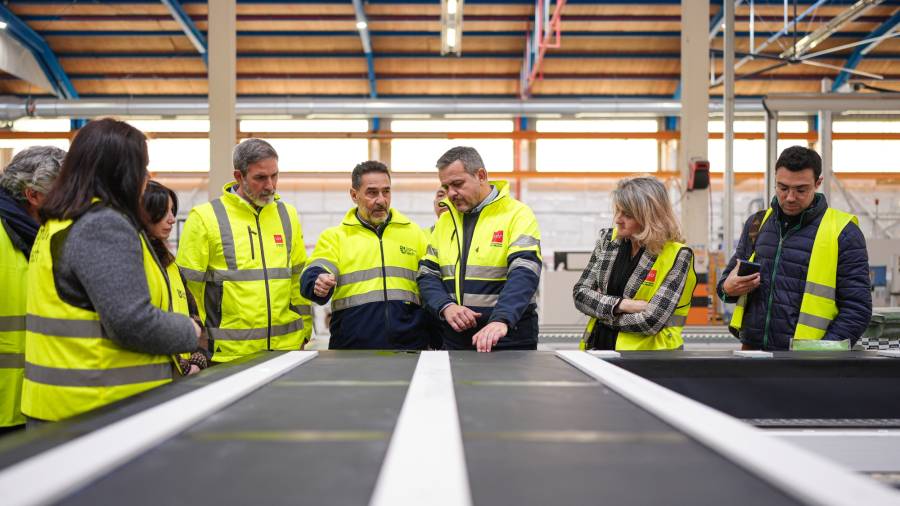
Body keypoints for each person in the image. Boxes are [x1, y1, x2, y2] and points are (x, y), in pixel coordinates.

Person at [21, 119, 201, 423]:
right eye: (142, 167)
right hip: (99, 407)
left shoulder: (61, 221)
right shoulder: (102, 225)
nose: (146, 177)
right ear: (124, 173)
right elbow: (132, 322)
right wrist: (189, 331)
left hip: (64, 405)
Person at [718, 146, 871, 351]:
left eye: (800, 190)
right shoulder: (757, 224)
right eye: (782, 188)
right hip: (753, 355)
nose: (790, 197)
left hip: (808, 360)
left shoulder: (843, 232)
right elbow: (725, 287)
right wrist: (728, 288)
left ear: (818, 183)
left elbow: (857, 308)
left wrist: (823, 352)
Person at [176, 138, 311, 362]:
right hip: (227, 355)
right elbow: (188, 291)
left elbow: (297, 280)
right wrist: (195, 345)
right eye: (260, 178)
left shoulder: (288, 215)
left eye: (274, 175)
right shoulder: (205, 218)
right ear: (238, 176)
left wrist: (304, 333)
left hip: (286, 350)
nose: (270, 185)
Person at [417, 146, 542, 352]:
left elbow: (524, 271)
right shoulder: (446, 221)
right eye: (446, 187)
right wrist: (446, 307)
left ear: (481, 175)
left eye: (457, 184)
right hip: (457, 339)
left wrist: (501, 319)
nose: (451, 194)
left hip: (508, 337)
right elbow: (427, 274)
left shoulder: (517, 214)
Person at [301, 161, 429, 349]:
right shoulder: (335, 237)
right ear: (354, 195)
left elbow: (431, 283)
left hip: (409, 347)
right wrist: (317, 281)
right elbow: (316, 269)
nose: (381, 200)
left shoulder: (414, 233)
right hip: (352, 349)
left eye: (386, 191)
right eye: (372, 192)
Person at [573, 176, 696, 350]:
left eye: (627, 214)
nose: (617, 219)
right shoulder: (608, 241)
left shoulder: (677, 255)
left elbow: (651, 321)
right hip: (599, 350)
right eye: (618, 211)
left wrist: (601, 313)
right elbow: (580, 295)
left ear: (649, 217)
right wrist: (623, 305)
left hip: (650, 359)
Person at [0, 146, 65, 432]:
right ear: (34, 196)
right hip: (6, 405)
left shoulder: (42, 235)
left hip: (35, 400)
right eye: (64, 190)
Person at [142, 181, 211, 374]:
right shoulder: (136, 262)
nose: (172, 219)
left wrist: (197, 360)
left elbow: (194, 315)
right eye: (164, 212)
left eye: (173, 211)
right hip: (155, 375)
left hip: (181, 375)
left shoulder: (172, 266)